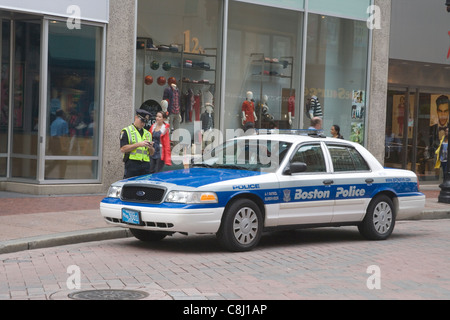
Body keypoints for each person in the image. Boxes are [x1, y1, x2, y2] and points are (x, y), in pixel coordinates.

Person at [120, 109, 155, 179]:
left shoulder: (148, 133)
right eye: (142, 121)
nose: (143, 124)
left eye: (145, 122)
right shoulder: (127, 131)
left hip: (145, 165)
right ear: (136, 117)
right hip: (132, 164)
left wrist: (150, 147)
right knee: (130, 186)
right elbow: (123, 149)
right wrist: (138, 144)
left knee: (144, 187)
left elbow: (151, 153)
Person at [49, 109, 69, 177]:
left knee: (56, 160)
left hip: (53, 142)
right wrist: (66, 146)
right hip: (60, 142)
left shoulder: (53, 122)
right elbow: (64, 136)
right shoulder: (64, 122)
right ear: (62, 114)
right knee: (63, 161)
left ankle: (45, 172)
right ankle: (62, 176)